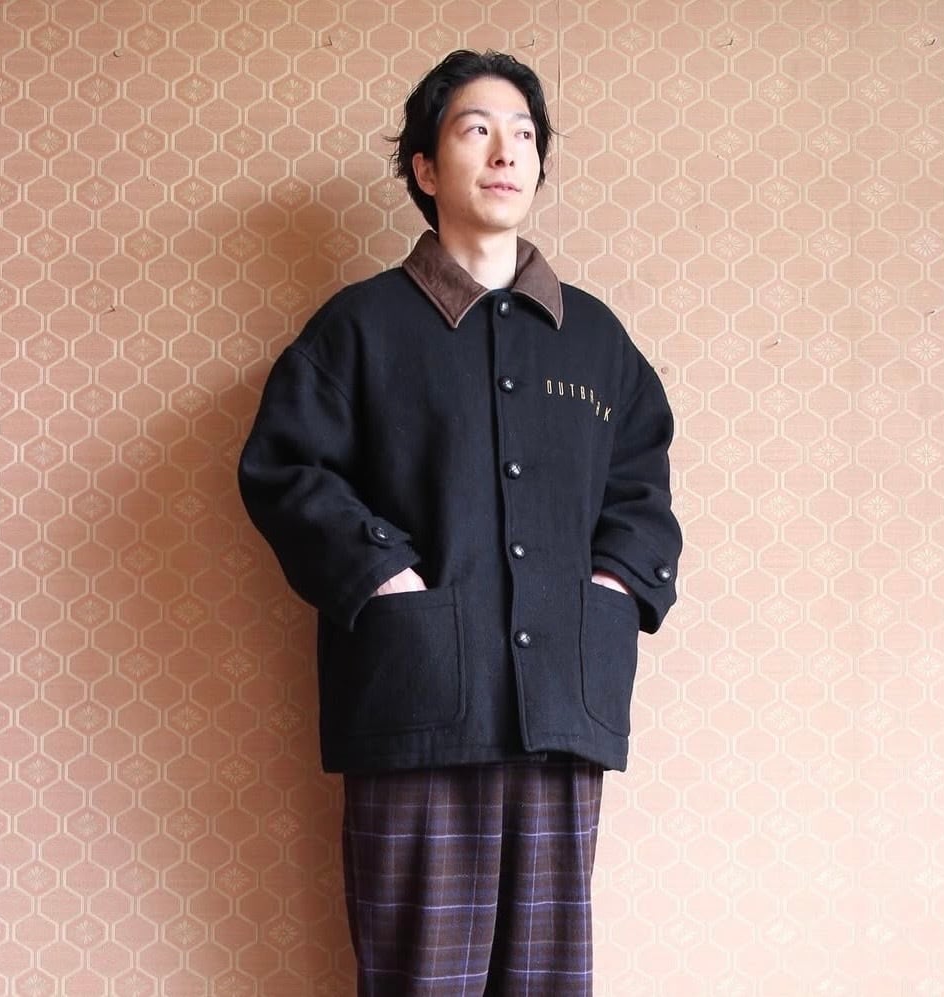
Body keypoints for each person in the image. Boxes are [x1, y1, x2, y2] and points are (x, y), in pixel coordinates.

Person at [238, 49, 682, 997]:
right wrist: (384, 578)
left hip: (560, 703)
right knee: (419, 978)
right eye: (476, 130)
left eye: (523, 134)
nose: (505, 152)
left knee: (547, 980)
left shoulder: (595, 339)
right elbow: (285, 469)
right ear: (426, 169)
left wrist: (610, 589)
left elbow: (641, 488)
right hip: (416, 702)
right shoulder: (359, 327)